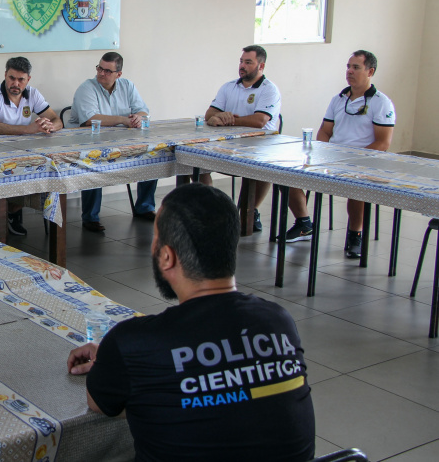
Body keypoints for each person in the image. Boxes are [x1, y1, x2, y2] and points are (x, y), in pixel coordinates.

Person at [67, 183, 315, 461]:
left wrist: (114, 363)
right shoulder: (279, 322)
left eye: (156, 238)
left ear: (167, 256)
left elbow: (99, 403)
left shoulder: (133, 342)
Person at [281, 50, 395, 257]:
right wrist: (326, 152)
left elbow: (383, 142)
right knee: (286, 173)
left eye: (356, 67)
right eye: (348, 67)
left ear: (370, 71)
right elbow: (325, 130)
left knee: (356, 185)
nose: (349, 71)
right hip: (332, 157)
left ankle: (355, 234)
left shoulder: (381, 102)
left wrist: (352, 159)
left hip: (362, 160)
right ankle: (304, 223)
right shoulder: (338, 98)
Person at [70, 52, 157, 232]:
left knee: (152, 153)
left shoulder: (127, 86)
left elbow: (143, 111)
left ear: (119, 74)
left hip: (121, 141)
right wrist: (123, 120)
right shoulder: (87, 87)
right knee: (93, 160)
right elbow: (90, 119)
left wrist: (137, 118)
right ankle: (90, 217)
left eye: (107, 71)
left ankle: (145, 207)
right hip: (89, 142)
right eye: (99, 68)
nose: (101, 73)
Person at [0, 56, 63, 235]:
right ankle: (8, 213)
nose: (15, 83)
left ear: (28, 80)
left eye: (20, 79)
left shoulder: (32, 93)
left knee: (47, 168)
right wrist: (30, 129)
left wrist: (50, 126)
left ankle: (13, 211)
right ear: (5, 75)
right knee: (17, 170)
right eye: (11, 78)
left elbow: (57, 120)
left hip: (24, 150)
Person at [202, 45, 282, 233]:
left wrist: (229, 120)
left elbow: (260, 120)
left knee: (263, 165)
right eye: (241, 61)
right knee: (193, 159)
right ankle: (213, 210)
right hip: (228, 143)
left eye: (248, 62)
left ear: (261, 66)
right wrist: (215, 117)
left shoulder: (269, 89)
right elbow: (210, 113)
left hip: (259, 145)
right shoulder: (229, 86)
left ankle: (250, 211)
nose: (242, 66)